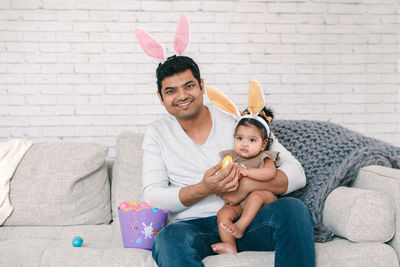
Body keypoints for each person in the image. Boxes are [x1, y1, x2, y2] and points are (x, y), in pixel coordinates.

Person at [141, 55, 315, 267]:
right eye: (171, 91)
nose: (182, 96)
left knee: (293, 209)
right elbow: (152, 198)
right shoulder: (157, 132)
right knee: (167, 239)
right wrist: (204, 188)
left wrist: (248, 185)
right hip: (193, 228)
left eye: (189, 86)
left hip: (248, 220)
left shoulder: (237, 121)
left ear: (202, 85)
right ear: (160, 97)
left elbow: (297, 173)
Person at [211, 106, 280, 254]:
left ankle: (241, 226)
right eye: (240, 138)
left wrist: (247, 172)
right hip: (240, 204)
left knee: (256, 195)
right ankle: (229, 244)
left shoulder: (264, 156)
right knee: (223, 214)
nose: (244, 143)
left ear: (263, 144)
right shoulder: (231, 158)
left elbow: (270, 173)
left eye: (252, 140)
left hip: (264, 200)